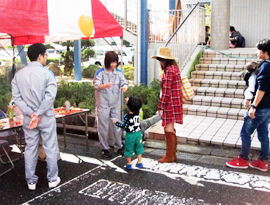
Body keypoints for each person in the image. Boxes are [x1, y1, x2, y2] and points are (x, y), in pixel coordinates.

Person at [11, 43, 60, 190]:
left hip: (28, 118)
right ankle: (52, 178)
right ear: (40, 56)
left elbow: (17, 97)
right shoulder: (47, 74)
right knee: (50, 147)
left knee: (30, 147)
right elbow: (49, 97)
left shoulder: (18, 75)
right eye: (46, 55)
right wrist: (38, 113)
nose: (46, 58)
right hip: (46, 116)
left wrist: (31, 113)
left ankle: (31, 181)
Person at [226, 39, 270, 171]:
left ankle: (243, 159)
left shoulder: (266, 66)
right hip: (267, 107)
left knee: (245, 133)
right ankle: (263, 161)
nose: (257, 52)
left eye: (259, 50)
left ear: (266, 52)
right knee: (263, 134)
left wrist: (254, 106)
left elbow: (261, 88)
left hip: (260, 107)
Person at [94, 51, 128, 158]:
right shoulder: (100, 72)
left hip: (115, 103)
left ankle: (118, 145)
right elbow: (96, 85)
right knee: (103, 126)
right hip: (103, 103)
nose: (114, 65)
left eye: (115, 62)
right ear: (107, 62)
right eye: (112, 62)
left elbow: (124, 82)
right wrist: (104, 85)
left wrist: (125, 87)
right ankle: (105, 148)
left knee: (117, 125)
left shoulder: (119, 73)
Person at [152, 47, 183, 163]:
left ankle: (169, 155)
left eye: (160, 60)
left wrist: (160, 105)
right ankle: (172, 154)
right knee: (170, 127)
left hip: (170, 103)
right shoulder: (174, 68)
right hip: (175, 101)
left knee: (168, 127)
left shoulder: (169, 70)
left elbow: (166, 90)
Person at [112, 97, 144, 169]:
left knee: (129, 149)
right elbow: (134, 106)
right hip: (138, 133)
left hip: (130, 135)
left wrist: (116, 123)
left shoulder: (127, 116)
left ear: (128, 106)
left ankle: (129, 164)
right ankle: (140, 162)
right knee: (139, 148)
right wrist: (128, 102)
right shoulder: (138, 113)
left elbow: (124, 126)